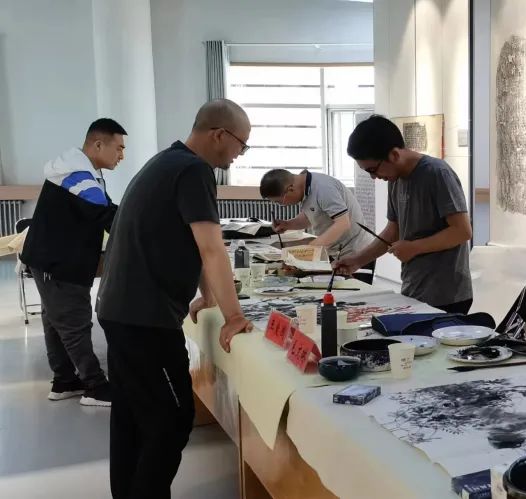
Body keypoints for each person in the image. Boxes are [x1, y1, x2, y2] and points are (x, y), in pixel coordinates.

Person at [96, 99, 254, 498]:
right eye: (241, 144)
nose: (239, 154)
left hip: (121, 309)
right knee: (172, 418)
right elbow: (211, 249)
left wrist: (208, 296)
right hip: (144, 318)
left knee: (132, 415)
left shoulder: (167, 162)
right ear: (220, 135)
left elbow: (188, 241)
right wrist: (235, 316)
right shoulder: (194, 170)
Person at [21, 118, 126, 407]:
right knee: (73, 323)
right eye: (119, 148)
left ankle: (65, 381)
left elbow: (106, 209)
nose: (121, 155)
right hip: (59, 263)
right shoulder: (78, 177)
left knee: (56, 322)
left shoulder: (79, 171)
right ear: (98, 144)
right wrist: (148, 225)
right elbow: (108, 217)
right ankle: (95, 386)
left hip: (51, 260)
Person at [332, 115, 473, 314]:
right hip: (414, 286)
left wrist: (414, 247)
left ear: (394, 154)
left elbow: (462, 231)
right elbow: (393, 231)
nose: (373, 177)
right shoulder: (395, 179)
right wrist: (357, 260)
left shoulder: (437, 173)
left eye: (373, 169)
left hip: (446, 294)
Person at [259, 168, 374, 261]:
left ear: (290, 189)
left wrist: (312, 247)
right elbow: (310, 217)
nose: (283, 205)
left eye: (279, 202)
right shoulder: (305, 188)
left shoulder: (323, 189)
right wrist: (287, 224)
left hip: (356, 252)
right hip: (337, 251)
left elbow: (343, 223)